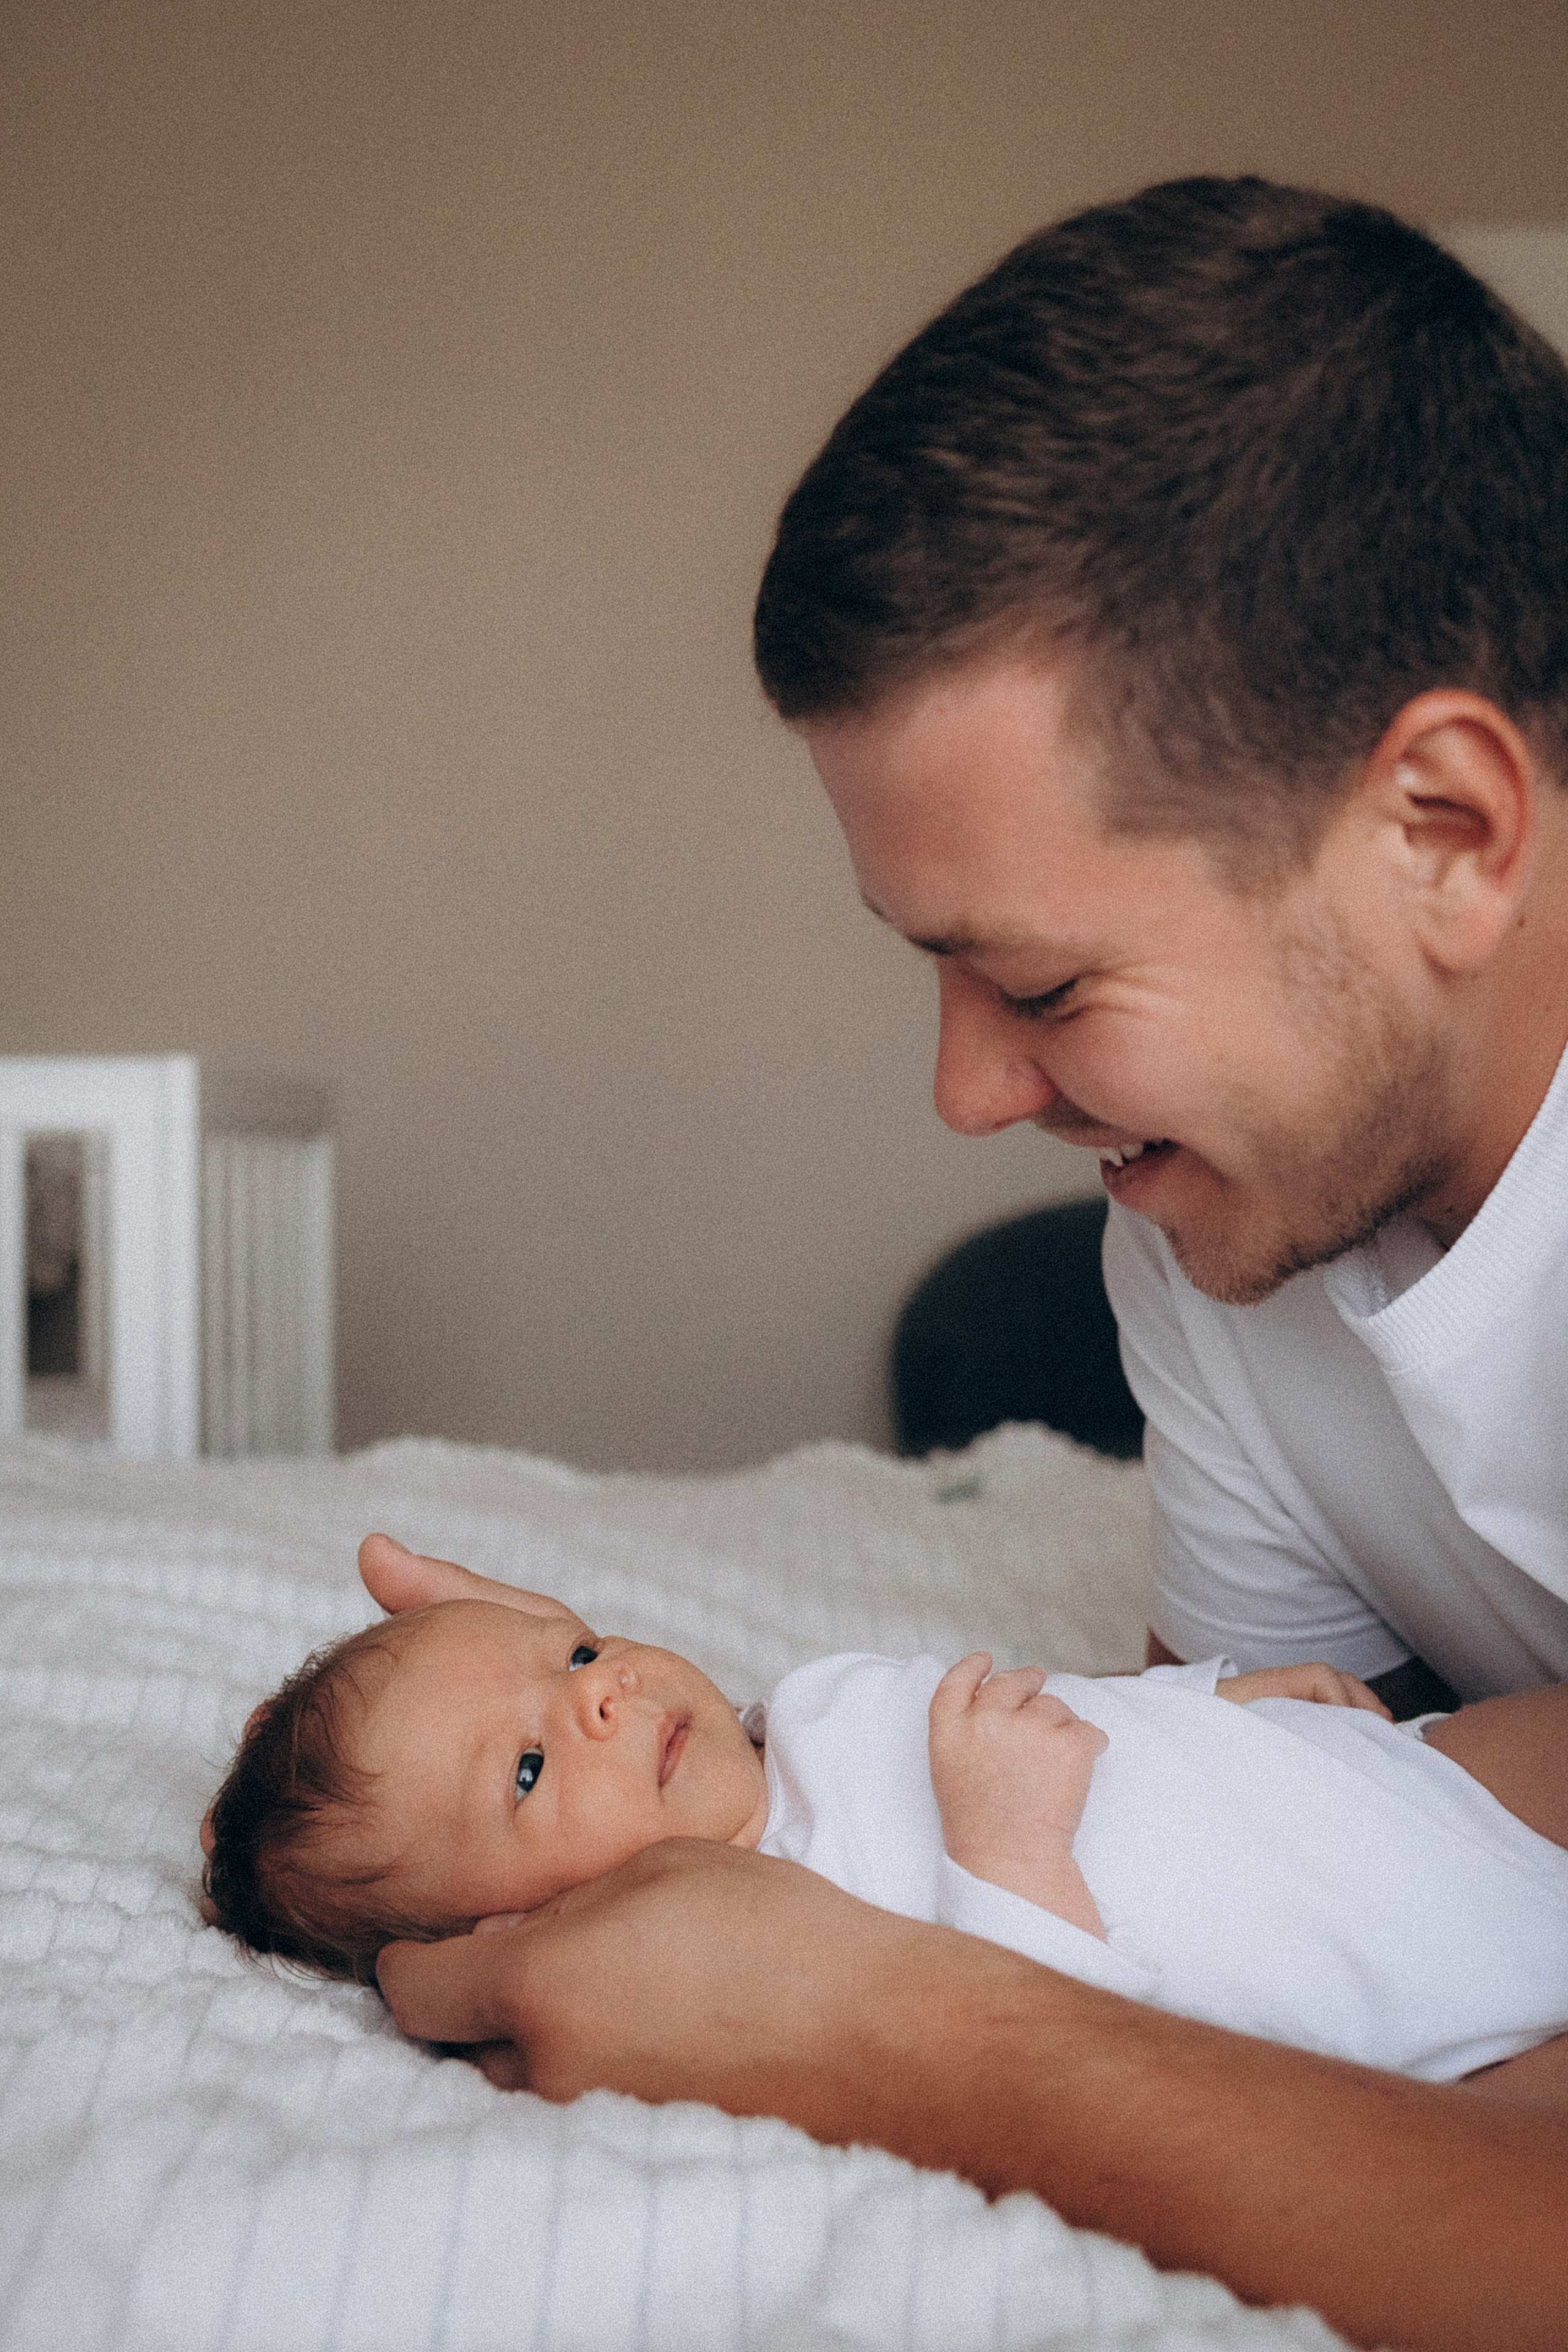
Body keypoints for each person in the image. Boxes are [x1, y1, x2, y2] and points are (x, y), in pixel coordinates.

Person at [375, 178, 1568, 2351]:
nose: (965, 1094)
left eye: (1031, 978)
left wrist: (870, 2025)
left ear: (1447, 835)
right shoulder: (1218, 1256)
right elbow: (1268, 1878)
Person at [205, 1536, 1568, 2086]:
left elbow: (1054, 1715)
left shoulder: (790, 1721)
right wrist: (1006, 1850)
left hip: (1393, 1780)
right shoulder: (769, 1938)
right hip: (1386, 1970)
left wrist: (1215, 1706)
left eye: (570, 1656)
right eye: (526, 1771)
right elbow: (1022, 2049)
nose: (604, 1696)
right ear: (521, 1928)